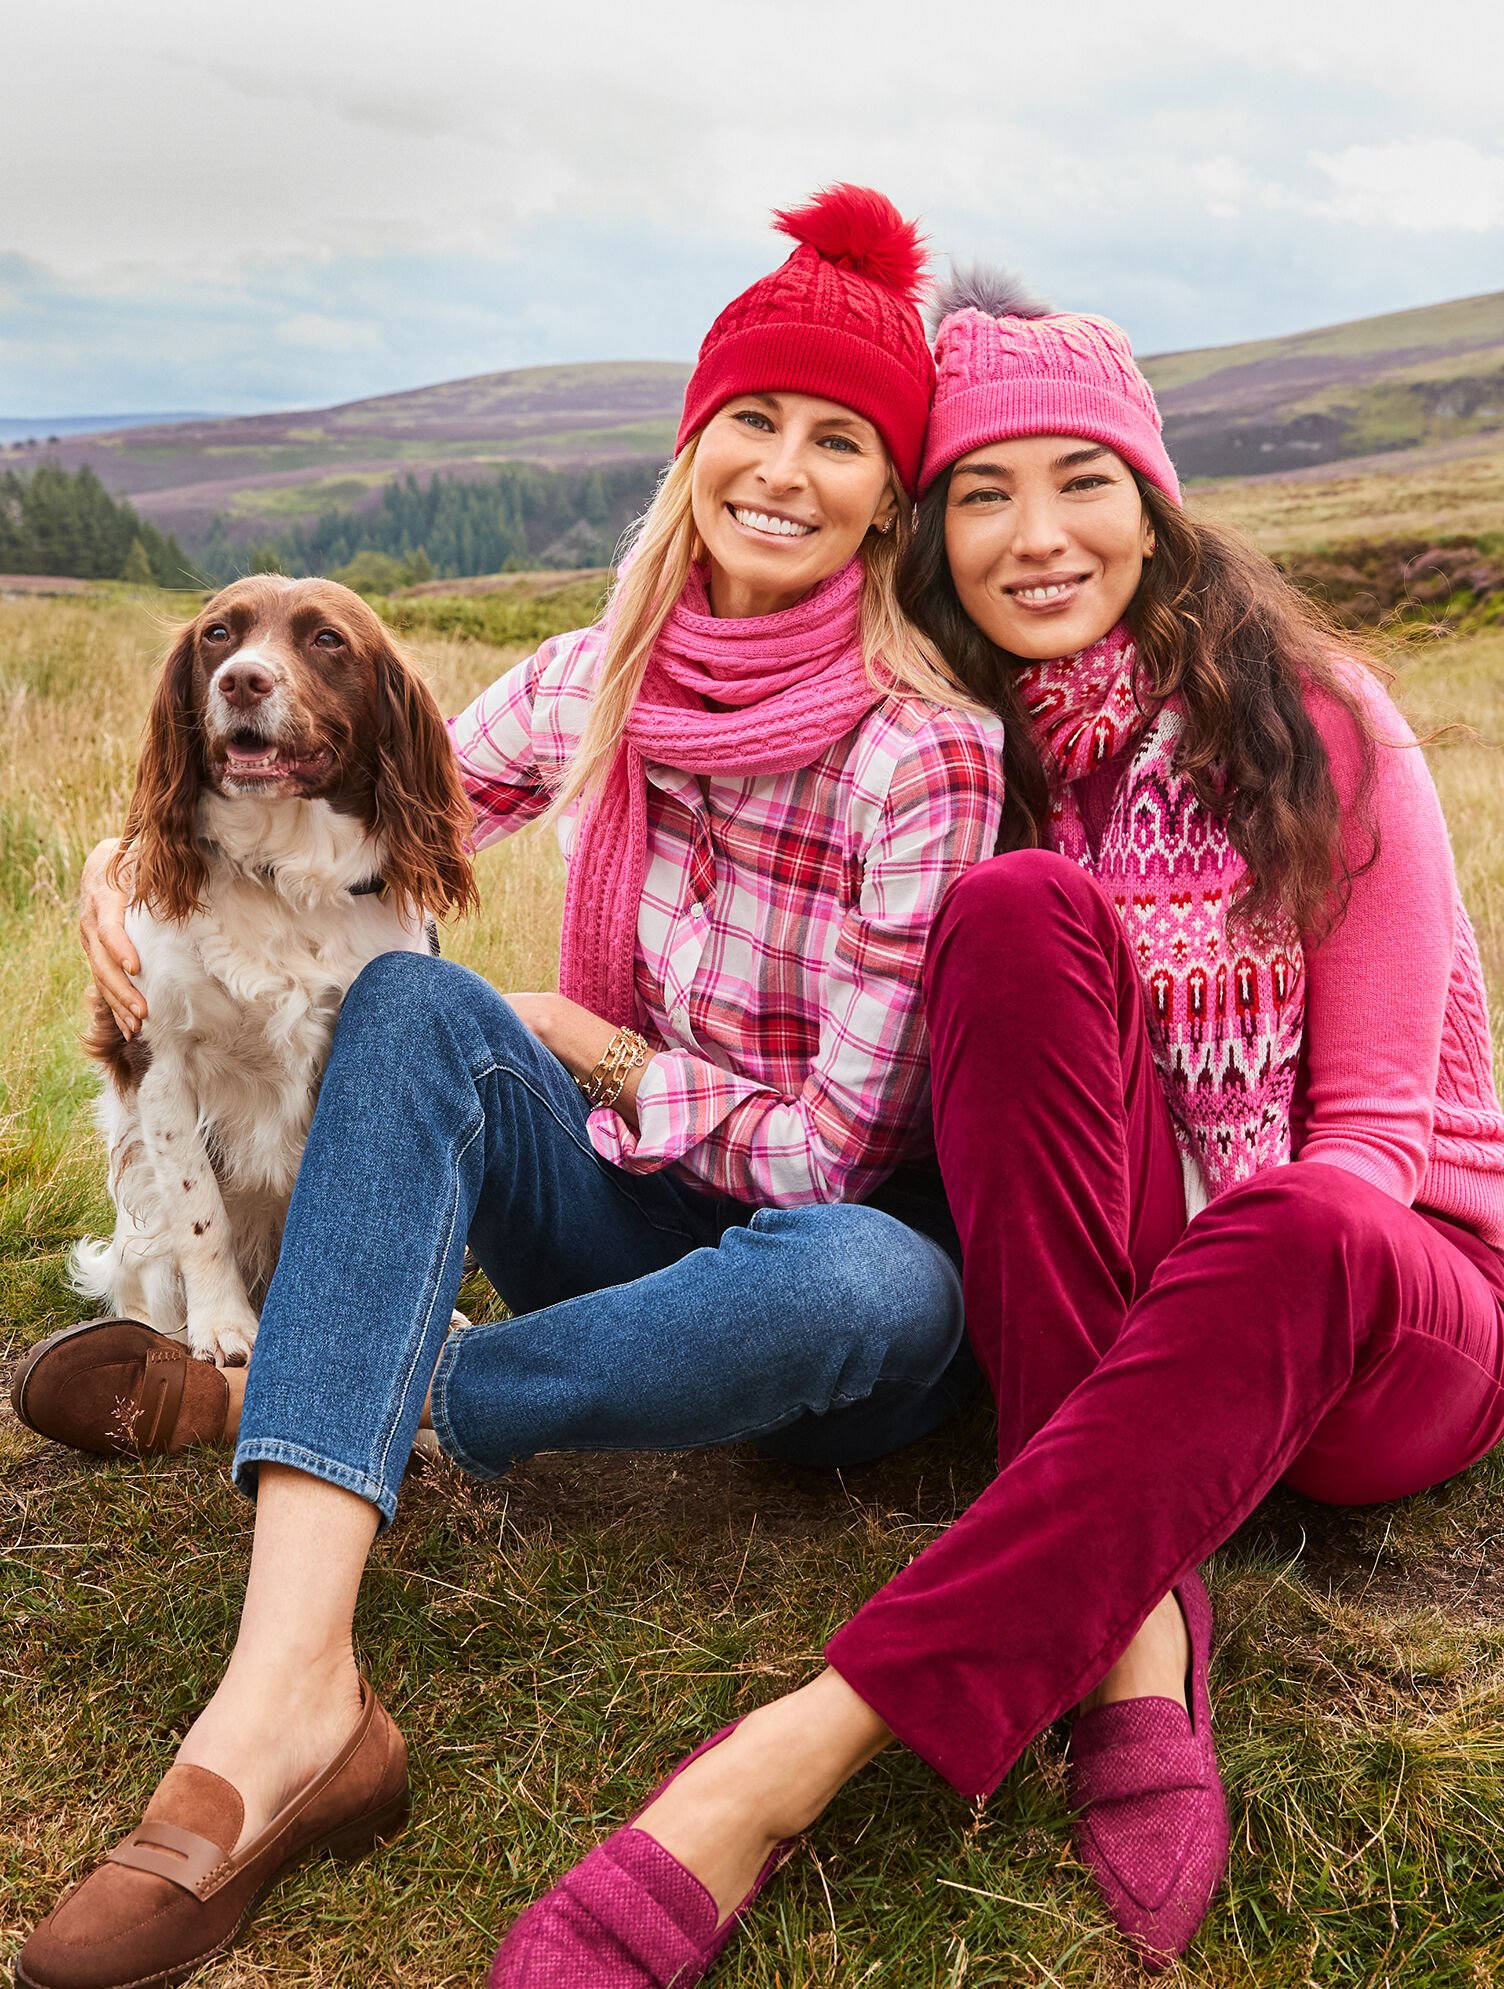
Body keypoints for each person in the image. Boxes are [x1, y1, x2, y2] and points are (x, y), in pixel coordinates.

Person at [13, 191, 1009, 1989]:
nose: (783, 469)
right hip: (619, 1224)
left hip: (819, 1289)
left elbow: (834, 1150)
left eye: (840, 439)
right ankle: (290, 1706)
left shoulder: (921, 748)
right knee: (411, 993)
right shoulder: (602, 678)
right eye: (753, 421)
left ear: (891, 495)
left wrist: (598, 1047)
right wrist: (116, 865)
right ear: (697, 443)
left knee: (874, 1268)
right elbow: (332, 804)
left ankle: (315, 1389)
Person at [489, 269, 1504, 1986]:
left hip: (1378, 1324)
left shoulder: (1320, 716)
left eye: (1081, 479)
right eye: (981, 491)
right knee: (1019, 912)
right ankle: (1127, 1626)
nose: (1038, 534)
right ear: (929, 533)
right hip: (1118, 1342)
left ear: (1153, 499)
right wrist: (157, 869)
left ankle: (785, 1758)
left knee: (1305, 1222)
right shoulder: (948, 758)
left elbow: (1375, 1149)